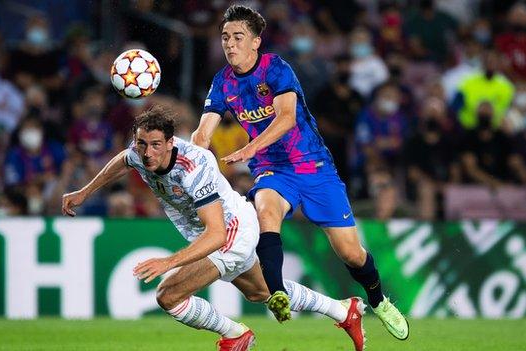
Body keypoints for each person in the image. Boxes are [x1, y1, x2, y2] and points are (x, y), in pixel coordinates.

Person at [62, 108, 366, 351]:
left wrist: (168, 262)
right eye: (142, 144)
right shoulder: (141, 153)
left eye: (156, 145)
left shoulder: (194, 167)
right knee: (261, 292)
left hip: (231, 230)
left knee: (169, 295)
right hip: (216, 230)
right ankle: (344, 311)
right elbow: (124, 160)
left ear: (170, 143)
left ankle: (235, 335)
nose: (147, 153)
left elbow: (217, 235)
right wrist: (85, 192)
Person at [191, 5, 409, 341]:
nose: (229, 44)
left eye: (237, 37)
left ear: (255, 41)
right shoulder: (222, 82)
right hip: (272, 169)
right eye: (224, 38)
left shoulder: (275, 68)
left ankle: (378, 300)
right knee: (266, 208)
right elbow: (203, 134)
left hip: (313, 166)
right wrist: (196, 151)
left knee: (351, 253)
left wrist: (248, 148)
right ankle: (277, 292)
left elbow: (287, 117)